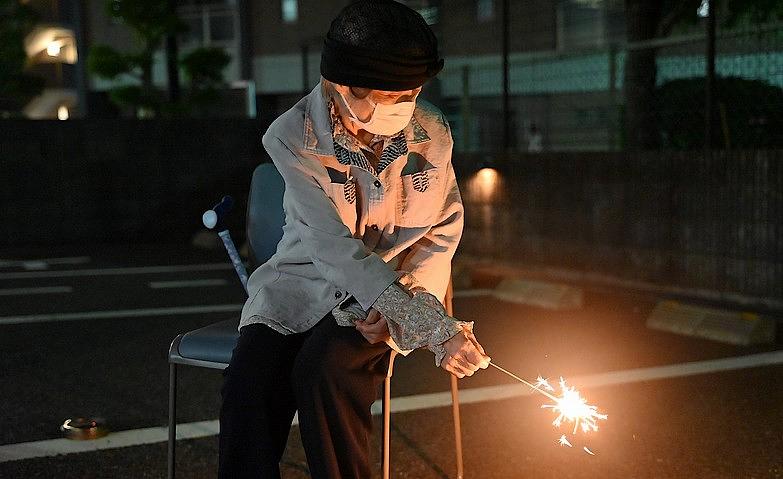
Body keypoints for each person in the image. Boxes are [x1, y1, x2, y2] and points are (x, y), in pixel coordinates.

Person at [218, 1, 491, 478]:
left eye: (414, 91)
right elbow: (331, 247)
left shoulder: (430, 131)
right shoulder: (293, 137)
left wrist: (408, 314)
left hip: (404, 286)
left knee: (323, 371)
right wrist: (435, 330)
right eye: (392, 96)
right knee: (251, 381)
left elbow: (442, 232)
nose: (407, 106)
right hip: (305, 281)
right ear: (343, 87)